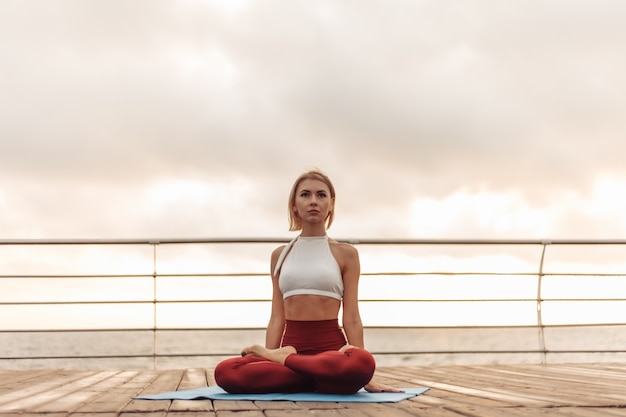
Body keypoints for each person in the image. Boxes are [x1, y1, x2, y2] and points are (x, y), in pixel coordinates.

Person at [214, 169, 400, 394]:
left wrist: (364, 376)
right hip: (296, 350)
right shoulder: (279, 256)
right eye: (305, 195)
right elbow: (276, 317)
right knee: (225, 372)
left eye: (321, 195)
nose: (313, 201)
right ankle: (308, 373)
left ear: (331, 203)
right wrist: (269, 357)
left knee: (363, 363)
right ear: (294, 204)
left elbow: (351, 317)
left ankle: (296, 368)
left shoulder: (346, 254)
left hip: (333, 354)